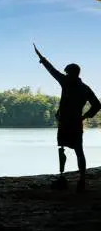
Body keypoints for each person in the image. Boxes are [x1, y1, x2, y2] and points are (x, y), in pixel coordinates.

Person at [33, 44, 101, 191]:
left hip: (66, 123)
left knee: (64, 147)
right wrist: (84, 117)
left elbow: (52, 71)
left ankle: (64, 177)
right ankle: (80, 179)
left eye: (67, 72)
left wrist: (42, 59)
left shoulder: (66, 82)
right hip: (75, 123)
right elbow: (97, 105)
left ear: (71, 73)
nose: (65, 74)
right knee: (78, 150)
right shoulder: (85, 88)